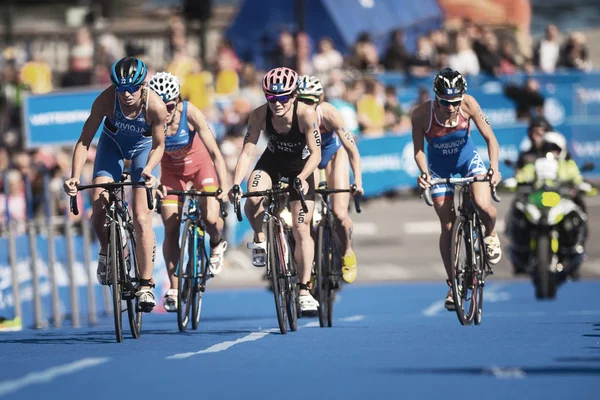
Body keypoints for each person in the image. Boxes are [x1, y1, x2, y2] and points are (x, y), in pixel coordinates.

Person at [63, 56, 167, 312]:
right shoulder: (105, 100)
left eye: (132, 88)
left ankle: (145, 284)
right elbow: (84, 141)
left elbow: (159, 145)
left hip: (144, 150)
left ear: (143, 85)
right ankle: (107, 251)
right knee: (98, 208)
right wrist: (75, 176)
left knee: (142, 217)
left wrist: (150, 171)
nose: (127, 94)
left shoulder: (155, 106)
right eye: (121, 89)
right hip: (112, 147)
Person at [227, 67, 321, 315]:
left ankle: (304, 290)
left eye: (282, 98)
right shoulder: (259, 114)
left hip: (302, 168)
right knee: (253, 194)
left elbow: (316, 153)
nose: (277, 103)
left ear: (294, 96)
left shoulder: (306, 114)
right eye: (271, 97)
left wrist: (301, 177)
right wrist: (236, 183)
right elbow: (248, 151)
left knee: (302, 228)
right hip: (273, 162)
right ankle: (259, 238)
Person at [411, 67, 502, 311]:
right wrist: (424, 173)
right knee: (448, 226)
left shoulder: (469, 104)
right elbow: (419, 150)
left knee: (484, 206)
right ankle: (453, 283)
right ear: (435, 97)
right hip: (439, 166)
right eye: (444, 102)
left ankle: (491, 234)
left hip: (467, 159)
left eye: (455, 102)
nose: (451, 107)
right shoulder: (421, 114)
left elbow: (490, 139)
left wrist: (494, 168)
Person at [148, 72, 229, 312]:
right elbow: (142, 154)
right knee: (170, 226)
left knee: (212, 217)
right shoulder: (149, 117)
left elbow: (215, 153)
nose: (166, 110)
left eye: (170, 105)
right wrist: (152, 180)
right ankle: (173, 288)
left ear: (178, 101)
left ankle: (216, 243)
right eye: (161, 105)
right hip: (171, 173)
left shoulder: (190, 113)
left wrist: (223, 186)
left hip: (200, 168)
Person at [296, 75, 364, 283]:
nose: (305, 105)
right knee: (303, 216)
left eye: (310, 101)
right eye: (301, 100)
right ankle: (308, 264)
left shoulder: (329, 114)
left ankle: (347, 253)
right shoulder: (291, 116)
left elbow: (352, 149)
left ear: (319, 99)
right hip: (309, 160)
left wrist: (358, 182)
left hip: (333, 155)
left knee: (339, 213)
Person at [509, 132, 588, 274]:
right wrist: (516, 180)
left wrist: (580, 185)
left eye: (554, 149)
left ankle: (576, 245)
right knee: (518, 209)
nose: (551, 153)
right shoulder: (536, 164)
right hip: (538, 201)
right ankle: (520, 247)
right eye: (547, 149)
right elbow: (524, 175)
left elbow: (577, 178)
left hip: (561, 202)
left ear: (562, 150)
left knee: (577, 214)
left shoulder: (567, 164)